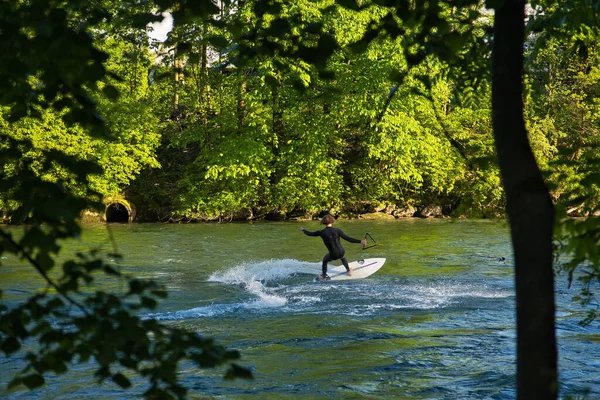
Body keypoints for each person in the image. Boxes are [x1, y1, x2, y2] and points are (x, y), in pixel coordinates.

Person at [300, 214, 367, 281]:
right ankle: (349, 270)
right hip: (341, 252)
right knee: (342, 256)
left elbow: (310, 233)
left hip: (333, 255)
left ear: (323, 222)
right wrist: (361, 241)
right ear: (332, 221)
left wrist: (303, 230)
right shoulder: (337, 230)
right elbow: (348, 239)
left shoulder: (321, 232)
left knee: (325, 261)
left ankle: (323, 276)